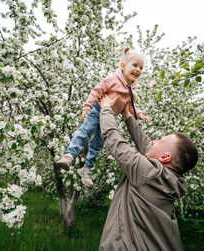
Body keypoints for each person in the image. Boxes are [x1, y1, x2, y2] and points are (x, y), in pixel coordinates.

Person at [98, 95, 198, 251]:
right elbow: (146, 145)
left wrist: (105, 108)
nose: (153, 141)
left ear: (165, 157)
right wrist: (127, 116)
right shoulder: (169, 179)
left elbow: (114, 138)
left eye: (159, 140)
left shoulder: (148, 172)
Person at [56, 47, 151, 187]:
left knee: (98, 144)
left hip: (109, 118)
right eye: (135, 65)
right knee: (85, 131)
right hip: (97, 110)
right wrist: (87, 106)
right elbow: (96, 91)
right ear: (123, 66)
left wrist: (139, 114)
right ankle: (69, 155)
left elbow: (130, 106)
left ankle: (87, 168)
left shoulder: (133, 89)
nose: (138, 69)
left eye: (141, 68)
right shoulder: (112, 80)